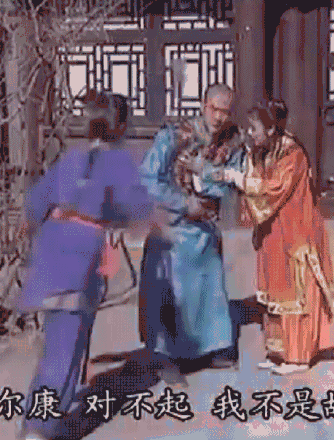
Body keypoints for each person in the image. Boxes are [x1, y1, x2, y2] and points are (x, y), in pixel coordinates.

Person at [15, 90, 152, 440]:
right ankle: (39, 428)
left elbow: (35, 205)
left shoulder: (70, 158)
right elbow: (135, 209)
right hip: (81, 258)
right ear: (121, 126)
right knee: (65, 348)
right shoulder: (116, 163)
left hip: (52, 253)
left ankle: (43, 416)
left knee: (59, 343)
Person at [198, 100, 334, 375]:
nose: (250, 133)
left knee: (294, 291)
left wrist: (238, 179)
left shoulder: (292, 153)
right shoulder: (263, 151)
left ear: (271, 129)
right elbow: (252, 180)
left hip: (295, 230)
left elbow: (273, 188)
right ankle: (279, 352)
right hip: (273, 230)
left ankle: (298, 357)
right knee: (273, 289)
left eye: (255, 128)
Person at [138, 84, 239, 382]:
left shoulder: (230, 144)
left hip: (204, 228)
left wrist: (208, 190)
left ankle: (211, 347)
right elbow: (148, 179)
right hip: (173, 226)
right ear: (204, 105)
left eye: (225, 111)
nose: (219, 117)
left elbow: (230, 183)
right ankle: (164, 354)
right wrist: (182, 203)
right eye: (214, 109)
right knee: (173, 288)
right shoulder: (174, 136)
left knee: (210, 283)